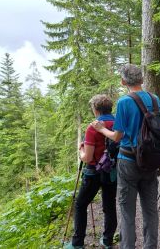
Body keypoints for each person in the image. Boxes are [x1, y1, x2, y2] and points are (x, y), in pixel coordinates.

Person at [92, 64, 160, 249]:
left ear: (123, 82)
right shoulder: (155, 99)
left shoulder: (124, 102)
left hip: (129, 160)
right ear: (142, 80)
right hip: (151, 160)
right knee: (151, 209)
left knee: (127, 211)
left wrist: (101, 129)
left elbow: (117, 136)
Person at [67, 94, 117, 249]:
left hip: (94, 172)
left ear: (96, 110)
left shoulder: (93, 127)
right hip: (112, 171)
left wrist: (80, 150)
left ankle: (77, 243)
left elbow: (88, 158)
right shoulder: (117, 123)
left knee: (81, 204)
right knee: (109, 206)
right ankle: (107, 240)